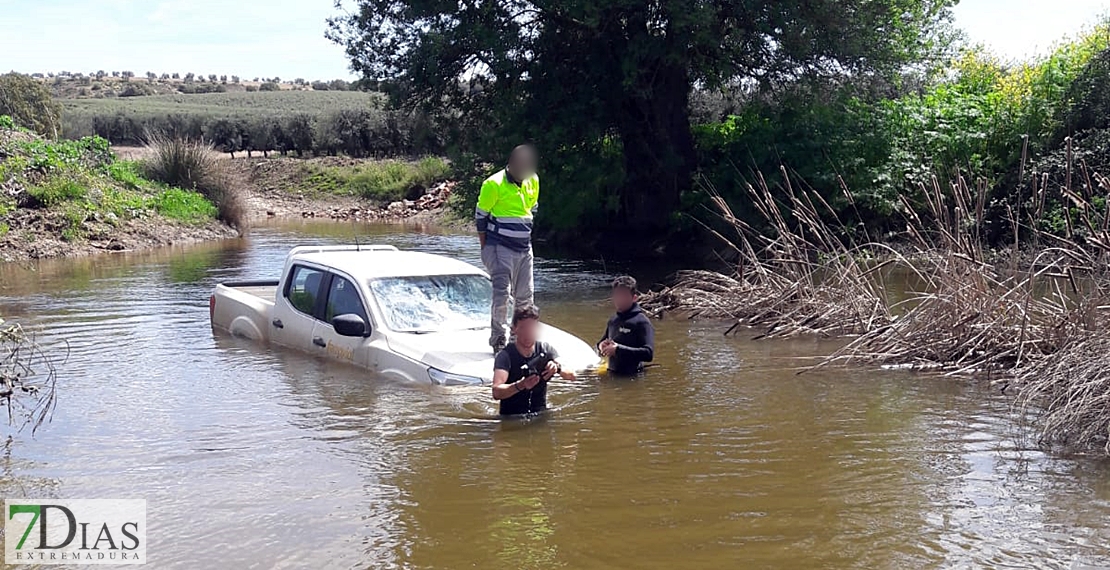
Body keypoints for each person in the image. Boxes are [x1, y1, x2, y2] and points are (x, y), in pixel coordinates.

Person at [475, 144, 539, 353]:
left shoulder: (533, 180)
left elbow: (532, 209)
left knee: (525, 296)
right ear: (510, 165)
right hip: (499, 247)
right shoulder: (493, 184)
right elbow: (481, 217)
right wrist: (485, 247)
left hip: (524, 248)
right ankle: (498, 340)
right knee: (502, 295)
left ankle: (518, 337)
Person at [492, 306, 576, 416]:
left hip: (540, 415)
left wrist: (557, 368)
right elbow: (496, 392)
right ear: (514, 329)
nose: (528, 332)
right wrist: (520, 385)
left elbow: (572, 375)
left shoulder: (545, 349)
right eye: (524, 328)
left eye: (532, 328)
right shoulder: (505, 356)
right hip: (511, 417)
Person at [598, 276, 655, 375]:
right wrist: (600, 346)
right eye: (617, 295)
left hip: (633, 378)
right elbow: (600, 343)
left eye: (623, 296)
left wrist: (618, 350)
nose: (619, 300)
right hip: (612, 375)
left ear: (634, 298)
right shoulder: (613, 320)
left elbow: (648, 354)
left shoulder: (642, 322)